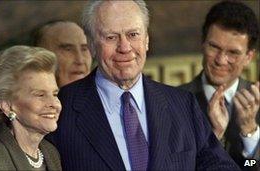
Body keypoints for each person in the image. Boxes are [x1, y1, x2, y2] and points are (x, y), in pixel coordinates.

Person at [46, 1, 240, 170]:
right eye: (111, 37)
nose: (124, 47)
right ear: (91, 45)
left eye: (133, 35)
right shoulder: (60, 109)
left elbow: (220, 165)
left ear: (146, 40)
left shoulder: (182, 104)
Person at [0, 20, 92, 144]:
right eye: (67, 49)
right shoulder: (7, 119)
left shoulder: (98, 106)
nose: (80, 60)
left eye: (85, 49)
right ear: (38, 55)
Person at [179, 1, 259, 170]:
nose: (221, 60)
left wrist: (250, 132)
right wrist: (213, 136)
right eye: (214, 47)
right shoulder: (173, 102)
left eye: (233, 53)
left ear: (248, 57)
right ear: (203, 43)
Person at [0, 45, 62, 170]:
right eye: (40, 95)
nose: (54, 104)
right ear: (7, 106)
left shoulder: (51, 153)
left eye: (55, 94)